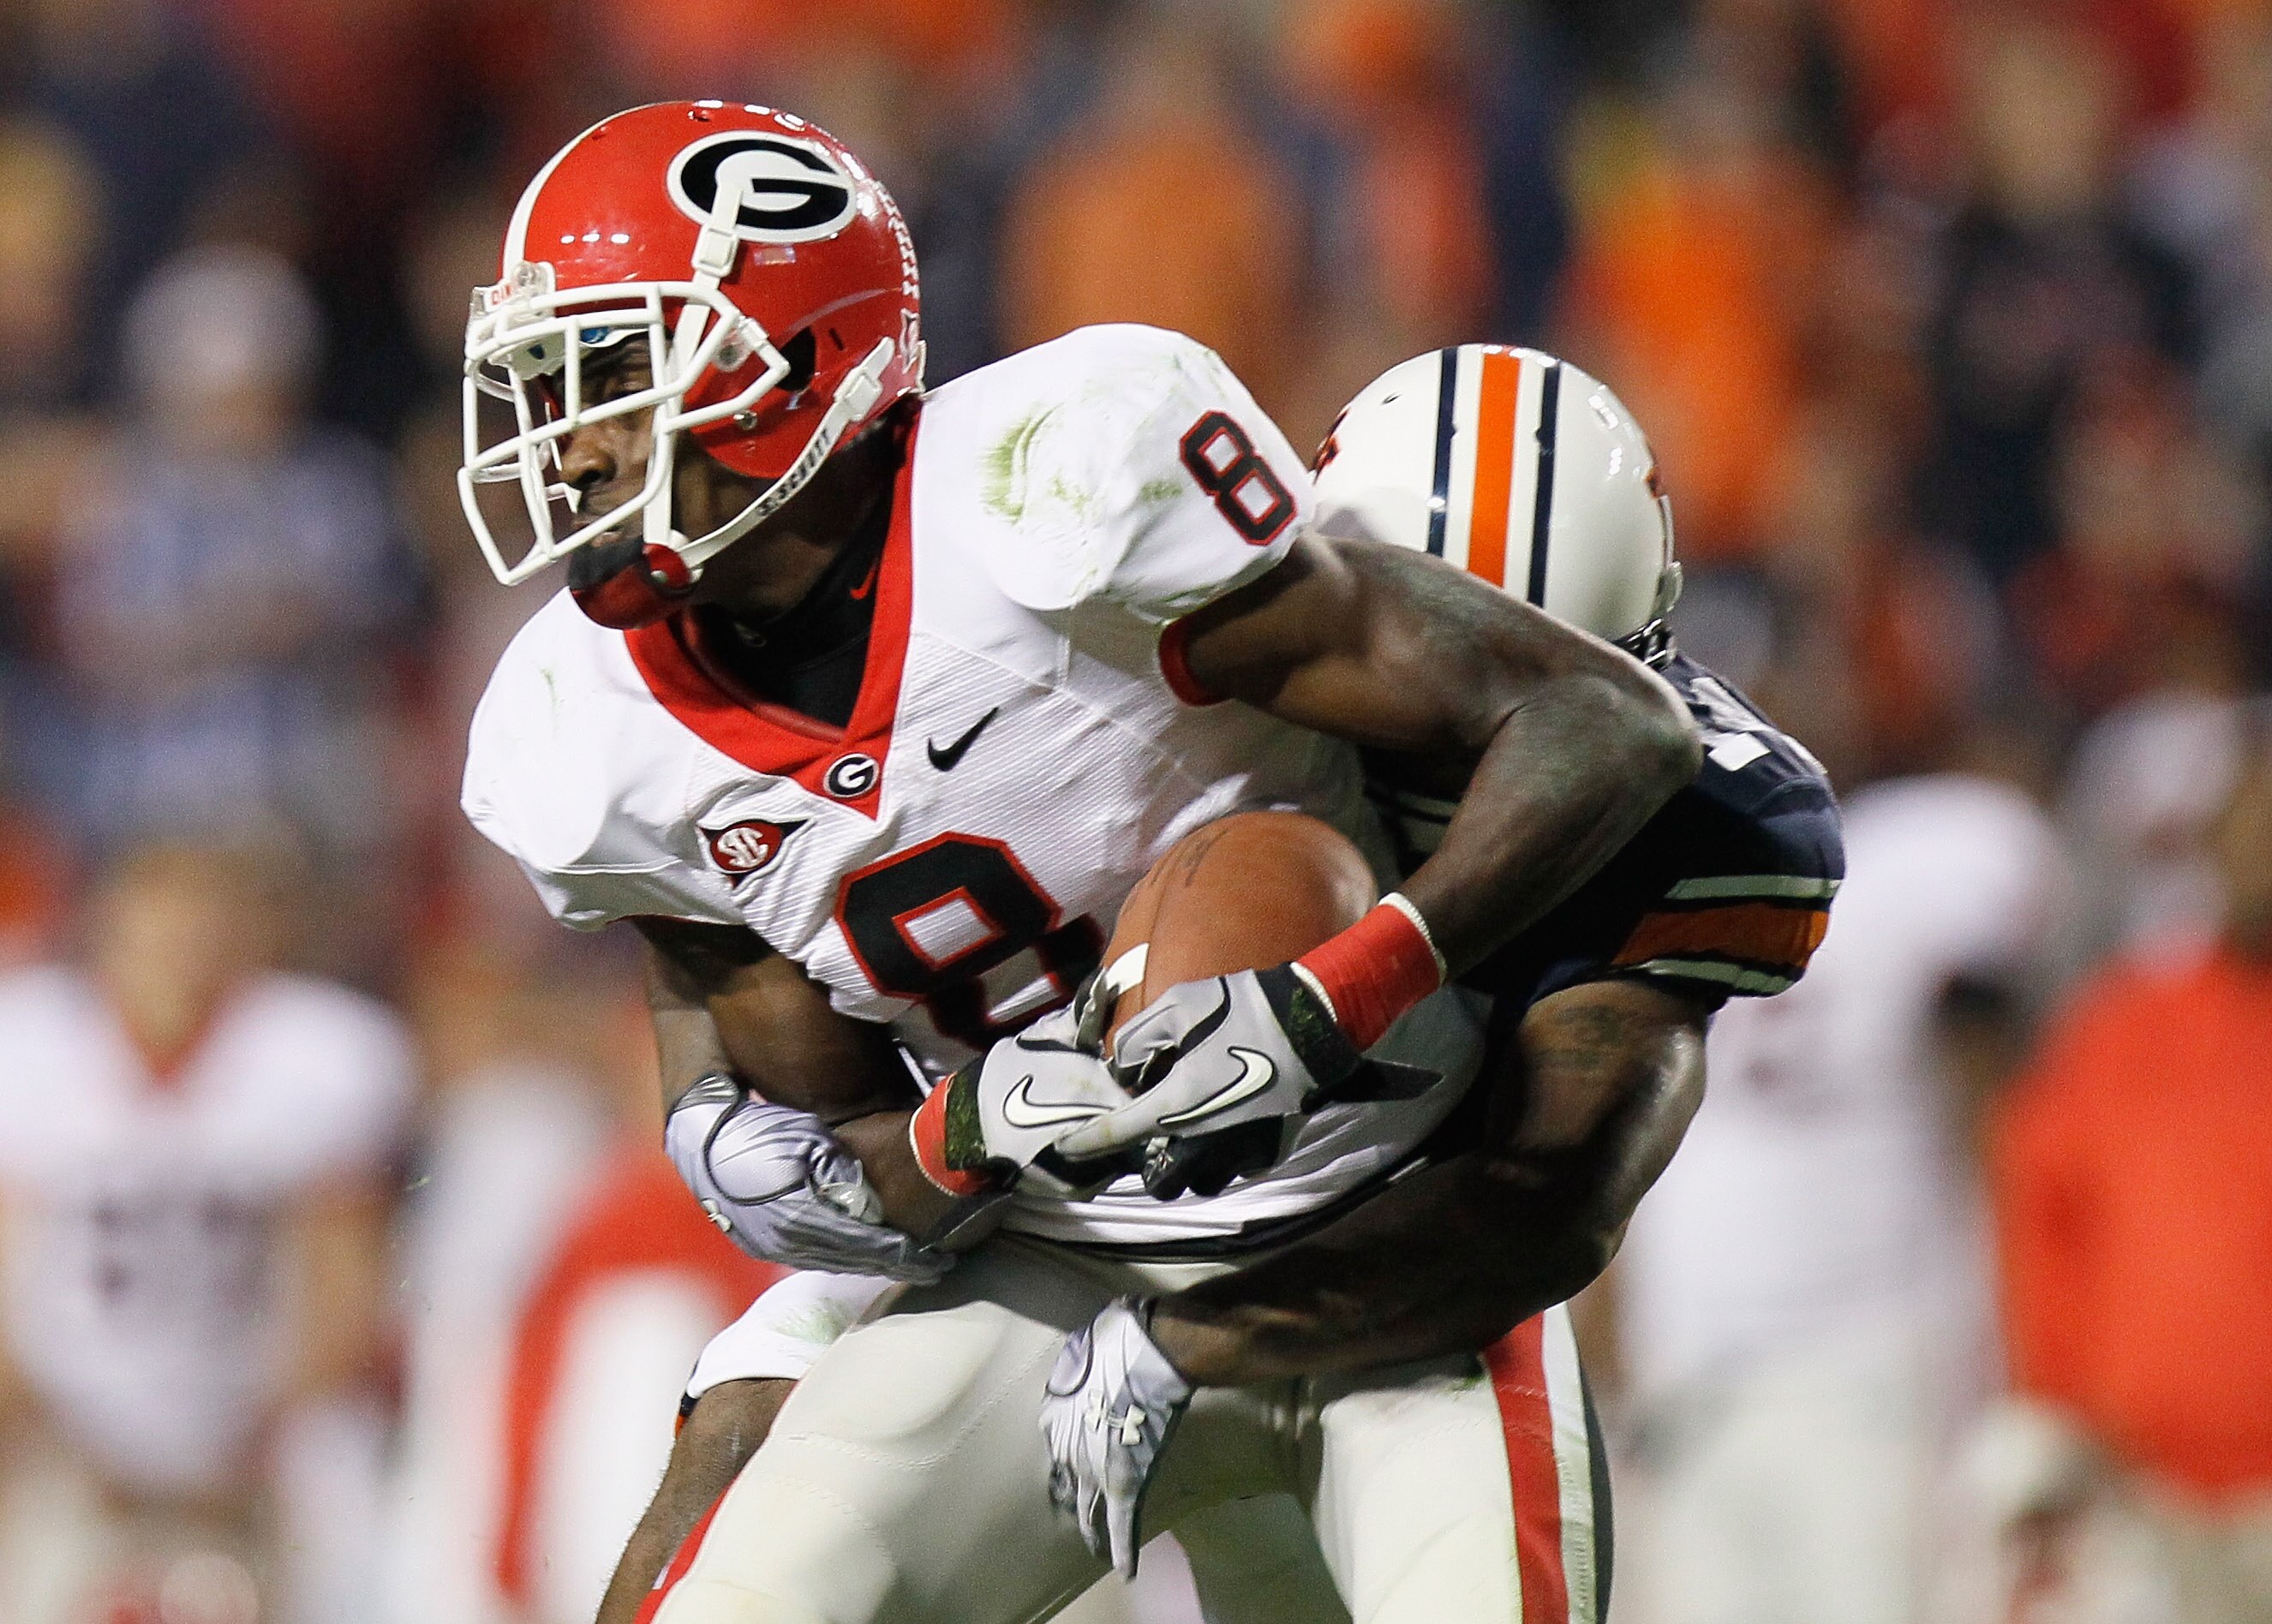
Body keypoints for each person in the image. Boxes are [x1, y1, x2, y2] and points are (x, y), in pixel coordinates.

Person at [460, 102, 1702, 1624]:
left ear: (785, 365)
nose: (565, 441)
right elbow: (804, 1166)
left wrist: (1333, 993)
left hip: (1391, 1228)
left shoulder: (1054, 487)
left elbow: (1600, 726)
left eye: (608, 375)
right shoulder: (587, 737)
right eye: (544, 385)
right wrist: (960, 1134)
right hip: (1048, 1257)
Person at [593, 342, 1845, 1624]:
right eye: (1434, 698)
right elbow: (715, 870)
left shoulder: (1692, 816)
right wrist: (716, 1104)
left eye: (1524, 692)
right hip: (1039, 1207)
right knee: (742, 1465)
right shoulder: (1168, 620)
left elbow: (1546, 1200)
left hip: (1391, 1262)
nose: (1464, 757)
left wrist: (1199, 1336)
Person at [0, 842, 412, 1624]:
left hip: (264, 1437)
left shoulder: (314, 1054)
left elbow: (344, 1281)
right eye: (155, 929)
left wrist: (256, 1437)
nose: (175, 954)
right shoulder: (29, 1047)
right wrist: (59, 1438)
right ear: (101, 932)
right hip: (66, 1434)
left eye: (199, 930)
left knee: (342, 1510)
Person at [1982, 707, 2272, 1624]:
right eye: (2250, 821)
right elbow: (2041, 1219)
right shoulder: (2126, 1021)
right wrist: (2057, 1419)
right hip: (2142, 1497)